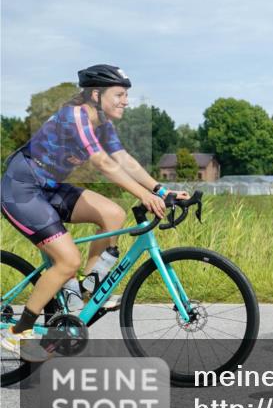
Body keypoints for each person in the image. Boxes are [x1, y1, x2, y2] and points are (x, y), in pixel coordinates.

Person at [1, 65, 188, 362]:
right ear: (96, 94)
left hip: (49, 186)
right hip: (22, 189)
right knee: (68, 260)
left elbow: (123, 159)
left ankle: (85, 295)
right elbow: (104, 163)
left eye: (127, 94)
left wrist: (161, 190)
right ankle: (18, 333)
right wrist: (143, 195)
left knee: (113, 214)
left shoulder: (101, 122)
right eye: (120, 94)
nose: (125, 101)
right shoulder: (74, 116)